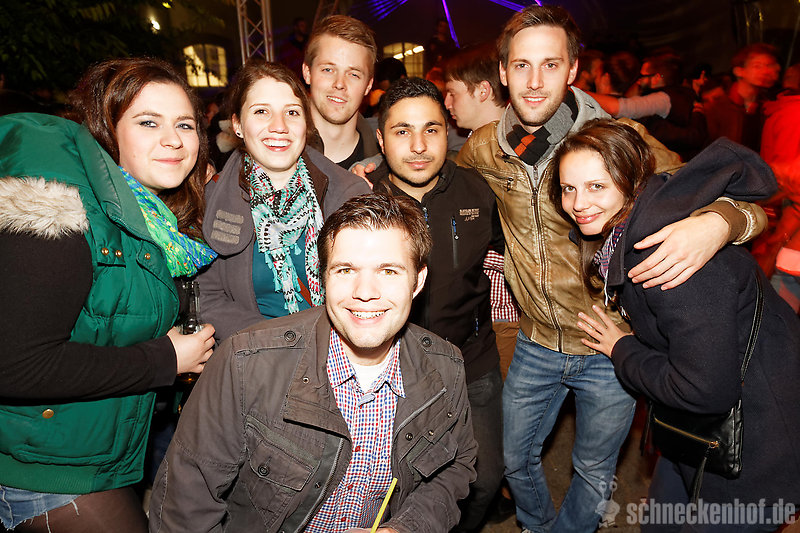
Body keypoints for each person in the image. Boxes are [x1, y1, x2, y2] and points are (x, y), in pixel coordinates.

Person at [455, 5, 767, 532]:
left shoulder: (620, 140)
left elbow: (745, 199)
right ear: (503, 72)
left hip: (611, 347)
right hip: (535, 341)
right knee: (512, 459)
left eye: (551, 64)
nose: (535, 82)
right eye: (522, 65)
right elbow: (446, 185)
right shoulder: (487, 148)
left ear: (573, 69)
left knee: (594, 468)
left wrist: (720, 222)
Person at [149, 193, 478, 533]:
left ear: (417, 281)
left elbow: (454, 469)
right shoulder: (246, 364)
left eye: (388, 271)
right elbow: (184, 506)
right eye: (346, 270)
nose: (365, 292)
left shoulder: (446, 368)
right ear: (323, 278)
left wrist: (404, 528)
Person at [550, 119, 800, 531]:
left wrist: (621, 349)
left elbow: (702, 391)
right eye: (568, 188)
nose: (578, 203)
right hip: (699, 435)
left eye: (596, 186)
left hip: (755, 448)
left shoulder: (668, 259)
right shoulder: (632, 235)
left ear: (631, 182)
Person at [0, 57, 217, 532]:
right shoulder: (61, 205)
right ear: (106, 131)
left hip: (90, 454)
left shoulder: (149, 218)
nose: (173, 139)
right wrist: (164, 359)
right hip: (42, 470)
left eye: (184, 124)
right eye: (148, 122)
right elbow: (15, 364)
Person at [367, 77, 504, 532]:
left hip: (472, 362)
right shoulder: (362, 201)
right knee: (397, 492)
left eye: (431, 129)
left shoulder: (478, 192)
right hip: (391, 372)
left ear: (449, 131)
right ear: (381, 139)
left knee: (484, 480)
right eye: (402, 131)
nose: (419, 146)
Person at [198, 60, 371, 342]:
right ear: (238, 125)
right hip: (255, 354)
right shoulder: (212, 200)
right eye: (261, 112)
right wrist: (277, 341)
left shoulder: (350, 194)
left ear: (306, 122)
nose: (279, 126)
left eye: (292, 112)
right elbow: (207, 297)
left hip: (339, 349)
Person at [303, 15, 380, 169]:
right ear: (307, 73)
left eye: (353, 74)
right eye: (328, 70)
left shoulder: (385, 167)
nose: (339, 84)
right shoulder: (269, 158)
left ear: (368, 85)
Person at [704, 43, 781, 151]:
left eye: (769, 66)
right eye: (757, 66)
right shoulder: (716, 106)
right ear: (739, 71)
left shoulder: (766, 107)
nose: (765, 72)